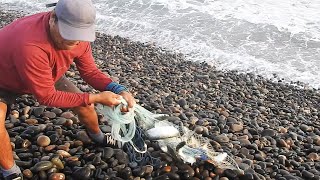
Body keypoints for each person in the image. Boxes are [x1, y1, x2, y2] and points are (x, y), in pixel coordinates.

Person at [0, 0, 136, 179]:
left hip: (44, 72)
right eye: (68, 34)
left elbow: (89, 71)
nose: (75, 40)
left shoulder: (79, 39)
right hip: (4, 78)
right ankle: (11, 172)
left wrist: (117, 89)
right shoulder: (30, 44)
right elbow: (46, 97)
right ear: (52, 18)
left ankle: (99, 137)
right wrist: (97, 98)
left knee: (84, 104)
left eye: (80, 34)